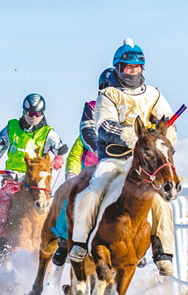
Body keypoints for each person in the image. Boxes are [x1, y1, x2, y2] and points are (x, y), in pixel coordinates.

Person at [68, 39, 178, 276]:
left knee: (159, 200)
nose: (133, 72)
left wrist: (166, 136)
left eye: (137, 68)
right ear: (118, 68)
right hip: (115, 159)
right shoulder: (108, 95)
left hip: (145, 162)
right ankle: (79, 240)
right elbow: (103, 124)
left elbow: (166, 120)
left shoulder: (153, 94)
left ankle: (163, 252)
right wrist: (126, 135)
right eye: (128, 68)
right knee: (94, 190)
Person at [0, 93, 68, 257]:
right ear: (24, 112)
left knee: (53, 212)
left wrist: (59, 157)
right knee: (1, 210)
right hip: (13, 180)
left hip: (38, 182)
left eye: (37, 114)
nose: (33, 117)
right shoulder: (12, 128)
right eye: (29, 113)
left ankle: (59, 246)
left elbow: (62, 148)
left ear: (43, 114)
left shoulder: (47, 132)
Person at [52, 68, 110, 266]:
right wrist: (71, 174)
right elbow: (76, 153)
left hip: (119, 168)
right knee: (73, 197)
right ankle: (62, 240)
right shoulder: (92, 110)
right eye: (106, 88)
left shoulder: (127, 108)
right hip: (93, 170)